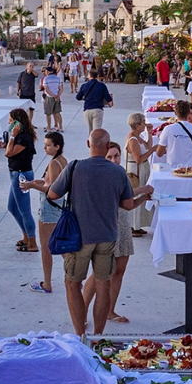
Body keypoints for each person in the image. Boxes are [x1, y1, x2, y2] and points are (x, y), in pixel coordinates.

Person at [47, 129, 149, 336]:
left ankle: (79, 334)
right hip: (107, 237)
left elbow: (52, 193)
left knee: (72, 283)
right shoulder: (117, 172)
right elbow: (128, 205)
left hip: (79, 238)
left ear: (88, 144)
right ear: (106, 145)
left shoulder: (75, 167)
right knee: (103, 286)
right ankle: (98, 336)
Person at [82, 142, 143, 324]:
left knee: (119, 271)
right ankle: (82, 311)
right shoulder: (100, 175)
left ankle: (110, 310)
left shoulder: (121, 174)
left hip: (123, 227)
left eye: (116, 156)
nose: (114, 160)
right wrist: (142, 190)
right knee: (99, 273)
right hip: (106, 228)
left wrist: (143, 198)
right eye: (109, 157)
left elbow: (127, 205)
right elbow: (118, 198)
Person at [21, 132, 68, 294]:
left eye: (48, 145)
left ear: (57, 146)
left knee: (46, 246)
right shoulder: (62, 161)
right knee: (60, 245)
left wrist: (32, 186)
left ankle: (47, 283)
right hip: (59, 207)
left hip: (49, 207)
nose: (45, 148)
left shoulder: (55, 163)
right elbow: (50, 182)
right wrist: (35, 182)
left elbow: (52, 189)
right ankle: (73, 276)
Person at [4, 108, 39, 252]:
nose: (9, 123)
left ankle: (32, 242)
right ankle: (26, 235)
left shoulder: (24, 137)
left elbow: (8, 153)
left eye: (11, 121)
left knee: (24, 210)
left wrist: (12, 137)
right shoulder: (21, 136)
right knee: (12, 207)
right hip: (15, 173)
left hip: (21, 174)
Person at [124, 113, 155, 236]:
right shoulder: (133, 140)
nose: (144, 124)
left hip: (142, 169)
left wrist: (150, 133)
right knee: (137, 195)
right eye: (143, 122)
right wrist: (153, 151)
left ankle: (137, 225)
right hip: (137, 170)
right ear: (137, 126)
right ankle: (133, 226)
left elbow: (147, 146)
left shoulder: (138, 137)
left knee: (141, 195)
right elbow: (138, 159)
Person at [155, 100, 192, 166]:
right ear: (188, 112)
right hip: (190, 169)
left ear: (175, 113)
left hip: (173, 169)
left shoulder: (168, 129)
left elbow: (159, 153)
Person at [75, 67, 113, 132]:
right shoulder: (102, 85)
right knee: (96, 131)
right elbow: (108, 98)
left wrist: (85, 98)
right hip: (98, 109)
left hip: (87, 109)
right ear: (97, 76)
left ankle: (90, 141)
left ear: (89, 76)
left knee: (90, 130)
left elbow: (78, 97)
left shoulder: (84, 85)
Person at [40, 65, 63, 132]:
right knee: (57, 112)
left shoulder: (46, 79)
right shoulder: (57, 78)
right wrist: (58, 95)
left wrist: (53, 95)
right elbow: (60, 88)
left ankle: (49, 127)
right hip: (57, 97)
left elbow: (46, 89)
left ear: (48, 71)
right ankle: (60, 127)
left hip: (49, 97)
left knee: (48, 113)